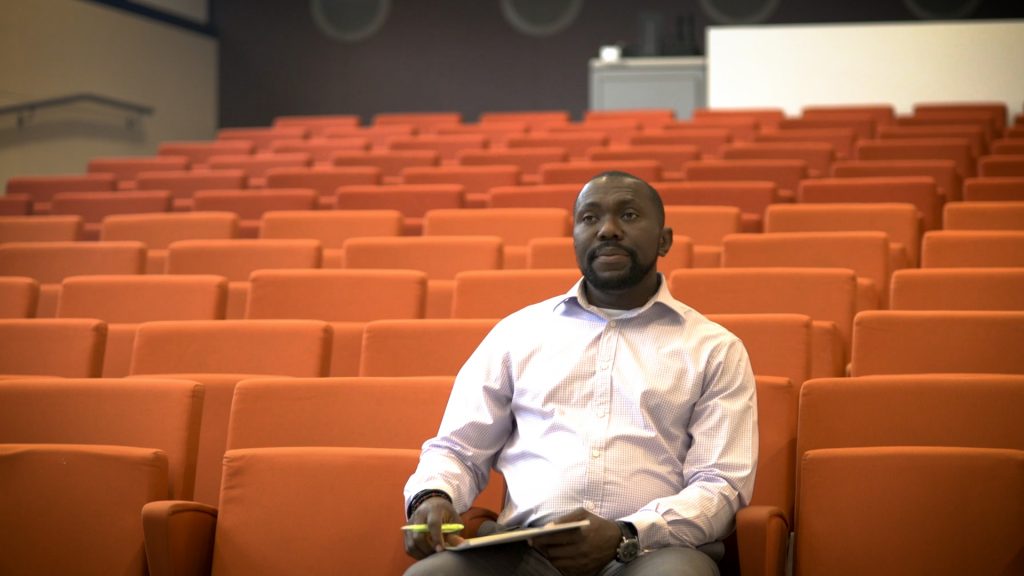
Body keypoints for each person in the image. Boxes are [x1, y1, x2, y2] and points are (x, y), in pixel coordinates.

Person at [403, 171, 758, 576]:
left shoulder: (714, 348)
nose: (608, 230)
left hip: (647, 554)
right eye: (590, 218)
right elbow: (457, 450)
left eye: (627, 215)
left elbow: (721, 484)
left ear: (664, 240)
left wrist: (627, 534)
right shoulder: (518, 333)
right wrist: (432, 496)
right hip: (526, 553)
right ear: (574, 237)